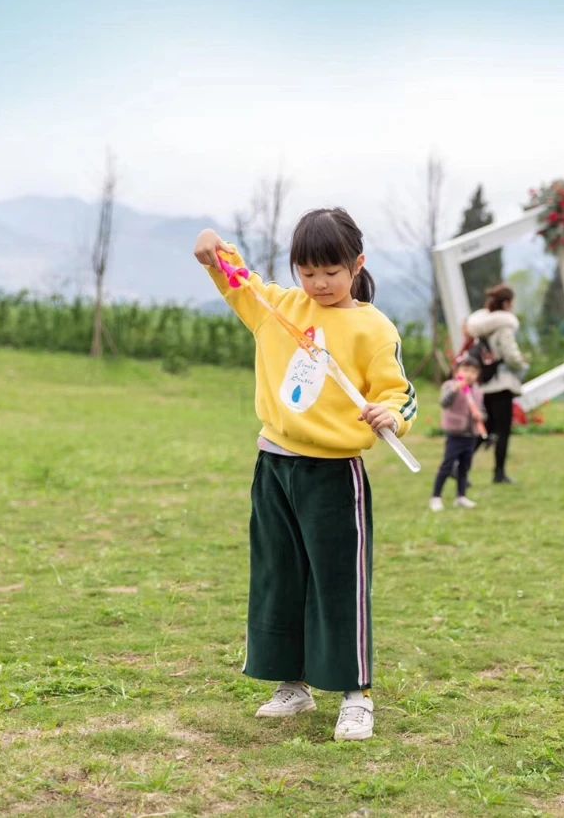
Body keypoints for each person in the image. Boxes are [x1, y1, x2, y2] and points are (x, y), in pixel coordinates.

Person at [192, 208, 417, 743]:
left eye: (331, 272)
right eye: (307, 271)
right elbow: (235, 276)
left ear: (357, 265)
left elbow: (398, 392)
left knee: (338, 582)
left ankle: (356, 696)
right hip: (274, 466)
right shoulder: (279, 308)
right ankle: (291, 685)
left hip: (333, 474)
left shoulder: (373, 328)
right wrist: (212, 248)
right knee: (279, 575)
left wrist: (391, 415)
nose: (318, 283)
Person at [464, 284, 528, 484]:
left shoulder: (481, 325)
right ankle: (499, 473)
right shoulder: (504, 325)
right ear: (507, 303)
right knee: (503, 431)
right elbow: (510, 355)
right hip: (502, 383)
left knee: (485, 428)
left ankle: (460, 466)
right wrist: (522, 363)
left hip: (485, 382)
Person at [430, 354, 486, 511]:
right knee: (447, 466)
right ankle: (436, 497)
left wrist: (481, 416)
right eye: (466, 370)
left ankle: (461, 496)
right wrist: (455, 389)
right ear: (457, 372)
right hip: (455, 434)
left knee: (465, 467)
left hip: (471, 435)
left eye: (473, 372)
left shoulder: (478, 391)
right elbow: (444, 402)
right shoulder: (450, 386)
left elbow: (482, 410)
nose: (469, 375)